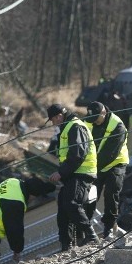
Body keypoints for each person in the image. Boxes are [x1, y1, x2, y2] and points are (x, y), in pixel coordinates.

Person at [46, 104, 99, 251]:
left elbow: (77, 155)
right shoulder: (67, 127)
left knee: (72, 203)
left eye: (52, 120)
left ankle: (91, 235)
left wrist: (60, 173)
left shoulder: (75, 127)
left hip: (82, 173)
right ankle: (66, 244)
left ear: (59, 116)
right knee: (63, 210)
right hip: (73, 173)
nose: (53, 123)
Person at [84, 101, 129, 238]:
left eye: (96, 119)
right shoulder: (89, 122)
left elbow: (109, 154)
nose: (94, 122)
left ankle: (108, 227)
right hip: (96, 165)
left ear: (103, 113)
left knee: (111, 193)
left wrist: (92, 170)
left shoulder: (117, 126)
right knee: (90, 196)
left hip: (115, 163)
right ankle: (86, 228)